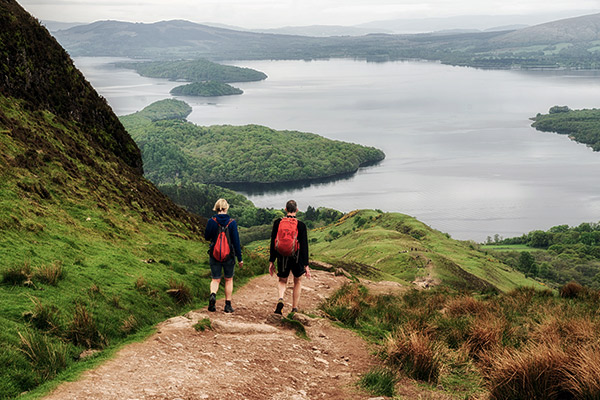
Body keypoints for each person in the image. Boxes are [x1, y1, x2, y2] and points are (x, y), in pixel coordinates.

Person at [269, 200, 311, 314]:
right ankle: (294, 308)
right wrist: (306, 264)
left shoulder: (278, 222)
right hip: (296, 257)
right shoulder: (301, 225)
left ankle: (281, 299)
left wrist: (272, 261)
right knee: (297, 281)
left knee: (282, 280)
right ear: (296, 210)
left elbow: (273, 241)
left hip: (282, 256)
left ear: (286, 209)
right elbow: (304, 245)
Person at [204, 198, 243, 313]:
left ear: (216, 208)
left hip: (214, 254)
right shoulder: (232, 222)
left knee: (215, 279)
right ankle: (227, 305)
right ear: (226, 208)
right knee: (228, 279)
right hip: (229, 256)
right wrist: (239, 259)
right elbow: (236, 242)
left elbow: (206, 236)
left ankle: (212, 295)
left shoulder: (212, 221)